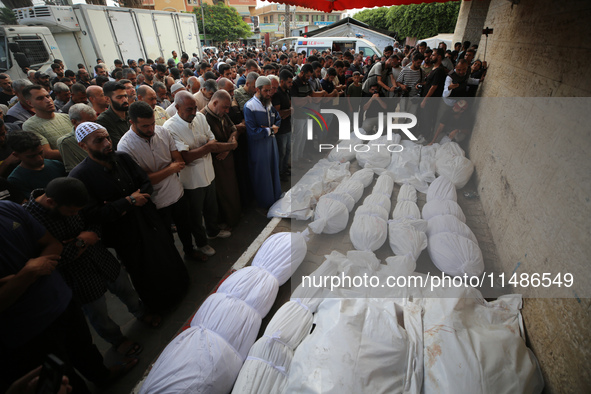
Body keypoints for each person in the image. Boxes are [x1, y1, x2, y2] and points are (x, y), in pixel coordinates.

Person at [0, 201, 138, 393]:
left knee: (84, 349)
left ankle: (103, 376)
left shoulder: (7, 208)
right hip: (27, 331)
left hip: (61, 301)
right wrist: (27, 273)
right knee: (61, 379)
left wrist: (26, 274)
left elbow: (52, 244)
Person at [23, 177, 158, 357]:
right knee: (98, 313)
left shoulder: (73, 198)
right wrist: (81, 242)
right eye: (71, 212)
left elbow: (93, 221)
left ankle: (140, 312)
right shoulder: (28, 219)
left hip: (100, 258)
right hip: (76, 276)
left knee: (126, 289)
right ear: (50, 202)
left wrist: (90, 235)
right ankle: (117, 340)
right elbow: (48, 260)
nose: (75, 214)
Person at [69, 122, 189, 311]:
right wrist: (128, 201)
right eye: (99, 140)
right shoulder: (79, 176)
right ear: (83, 146)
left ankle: (181, 288)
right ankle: (159, 305)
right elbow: (92, 214)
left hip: (149, 219)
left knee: (166, 255)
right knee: (143, 269)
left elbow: (145, 182)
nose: (107, 143)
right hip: (124, 232)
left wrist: (135, 198)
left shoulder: (122, 158)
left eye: (107, 137)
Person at [118, 101, 207, 261]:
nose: (151, 129)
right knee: (165, 236)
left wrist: (158, 173)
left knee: (184, 228)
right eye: (145, 126)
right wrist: (169, 169)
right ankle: (175, 262)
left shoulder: (163, 132)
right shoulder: (125, 147)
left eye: (152, 123)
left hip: (176, 192)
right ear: (132, 122)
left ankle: (190, 251)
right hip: (155, 201)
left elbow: (178, 162)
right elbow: (143, 181)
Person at [164, 91, 232, 257]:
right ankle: (201, 243)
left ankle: (213, 231)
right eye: (189, 109)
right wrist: (207, 148)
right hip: (191, 181)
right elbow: (185, 158)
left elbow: (212, 139)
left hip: (208, 173)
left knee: (211, 207)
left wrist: (201, 148)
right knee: (195, 215)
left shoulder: (200, 117)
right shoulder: (170, 127)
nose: (194, 112)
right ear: (177, 107)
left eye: (195, 108)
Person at [201, 90, 241, 228]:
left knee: (231, 192)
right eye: (225, 107)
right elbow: (211, 145)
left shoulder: (222, 113)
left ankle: (233, 219)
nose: (227, 110)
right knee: (221, 195)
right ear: (215, 102)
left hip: (227, 160)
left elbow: (234, 129)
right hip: (215, 164)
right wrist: (230, 146)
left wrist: (228, 147)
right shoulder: (203, 117)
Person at [243, 76, 282, 210]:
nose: (268, 93)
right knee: (262, 175)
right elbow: (252, 132)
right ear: (257, 89)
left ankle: (275, 198)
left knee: (273, 170)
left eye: (270, 90)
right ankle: (265, 204)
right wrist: (270, 131)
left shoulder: (269, 103)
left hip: (271, 144)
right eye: (265, 91)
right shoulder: (249, 106)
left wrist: (269, 129)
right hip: (258, 148)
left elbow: (277, 118)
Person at [7, 131, 66, 196]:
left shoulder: (57, 165)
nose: (39, 159)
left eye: (40, 153)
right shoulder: (16, 179)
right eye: (32, 156)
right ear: (16, 155)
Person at [22, 85, 71, 161]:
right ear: (30, 103)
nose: (48, 101)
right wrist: (77, 150)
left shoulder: (66, 117)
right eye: (40, 98)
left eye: (48, 96)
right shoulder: (30, 126)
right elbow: (47, 153)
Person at [58, 103, 95, 172]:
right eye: (88, 123)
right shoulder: (66, 142)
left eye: (95, 122)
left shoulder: (101, 134)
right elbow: (74, 170)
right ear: (74, 122)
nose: (93, 126)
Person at [272, 69, 293, 182]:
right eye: (289, 82)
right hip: (280, 130)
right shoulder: (277, 94)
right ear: (282, 81)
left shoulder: (286, 92)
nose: (291, 84)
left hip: (288, 126)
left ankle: (284, 169)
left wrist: (288, 111)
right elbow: (278, 114)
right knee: (282, 152)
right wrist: (290, 110)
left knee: (288, 151)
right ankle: (280, 173)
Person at [97, 81, 130, 149]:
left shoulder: (132, 113)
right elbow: (120, 145)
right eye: (119, 97)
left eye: (125, 96)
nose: (125, 100)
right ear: (107, 99)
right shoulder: (103, 120)